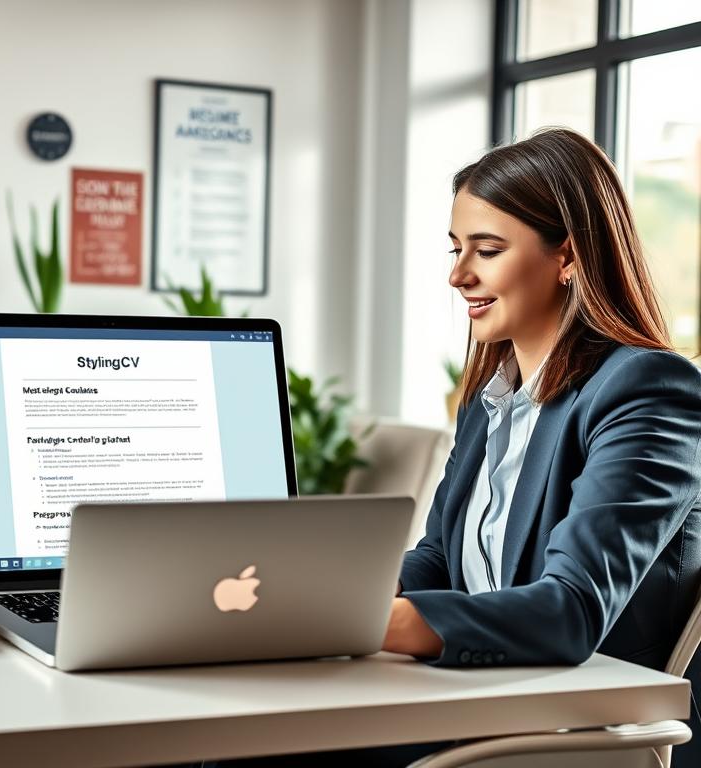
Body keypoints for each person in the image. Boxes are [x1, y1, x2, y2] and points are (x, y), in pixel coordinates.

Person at [226, 127, 701, 767]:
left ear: (568, 256)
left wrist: (369, 621)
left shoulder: (647, 388)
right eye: (456, 248)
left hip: (566, 724)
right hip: (479, 694)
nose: (458, 275)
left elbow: (570, 610)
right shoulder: (489, 398)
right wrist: (327, 595)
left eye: (488, 249)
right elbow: (438, 560)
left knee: (248, 747)